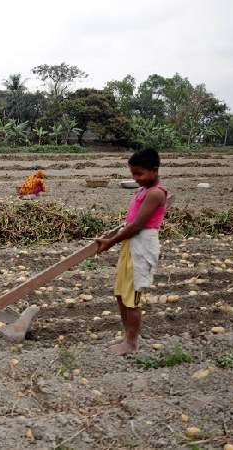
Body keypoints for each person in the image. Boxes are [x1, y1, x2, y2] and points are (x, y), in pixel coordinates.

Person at [95, 148, 168, 356]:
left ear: (154, 170)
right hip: (130, 244)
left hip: (142, 247)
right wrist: (113, 235)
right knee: (121, 293)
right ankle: (127, 335)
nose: (135, 178)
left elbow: (137, 226)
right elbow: (129, 224)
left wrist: (111, 241)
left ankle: (132, 342)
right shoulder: (143, 190)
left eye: (139, 174)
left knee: (132, 298)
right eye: (132, 174)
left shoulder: (155, 193)